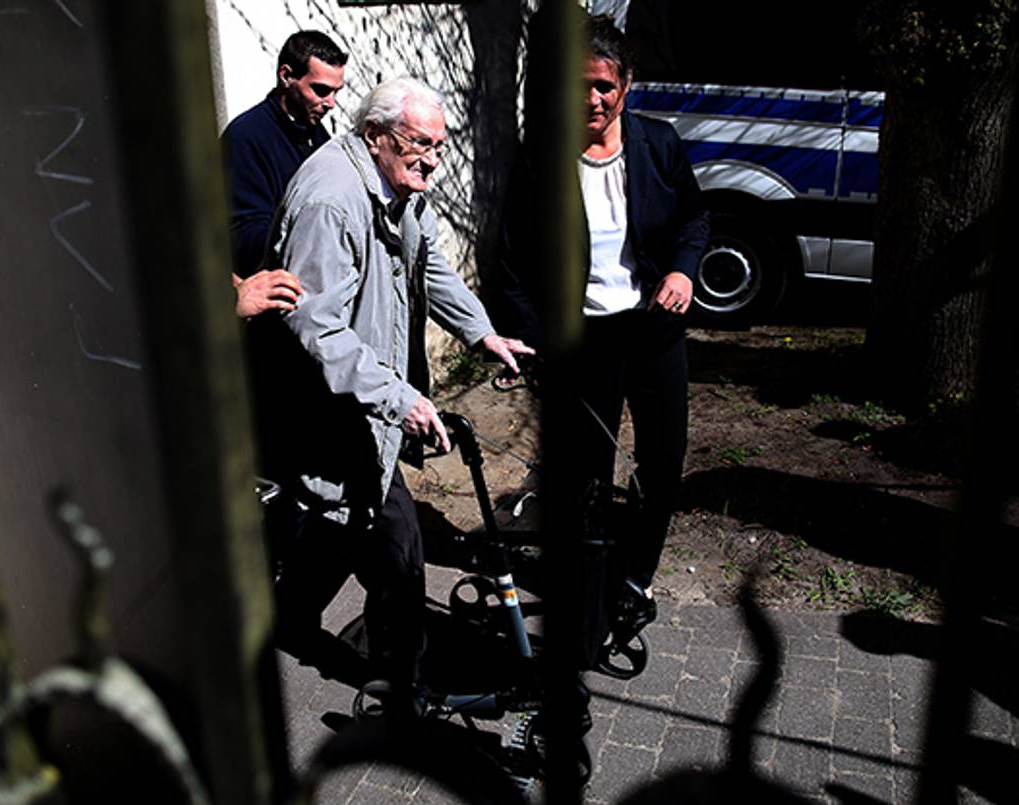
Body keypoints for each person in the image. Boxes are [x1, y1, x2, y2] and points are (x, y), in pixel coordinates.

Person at [261, 76, 534, 713]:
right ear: (378, 135)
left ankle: (288, 616)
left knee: (344, 520)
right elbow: (313, 323)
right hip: (332, 401)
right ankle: (400, 681)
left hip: (363, 402)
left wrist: (481, 332)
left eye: (439, 146)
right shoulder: (331, 200)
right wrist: (399, 398)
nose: (433, 160)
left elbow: (429, 264)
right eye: (420, 144)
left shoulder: (399, 186)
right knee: (397, 542)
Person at [491, 14, 708, 661]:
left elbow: (694, 220)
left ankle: (633, 581)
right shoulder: (542, 156)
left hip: (654, 332)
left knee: (662, 468)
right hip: (583, 343)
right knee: (586, 481)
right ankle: (583, 606)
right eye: (581, 86)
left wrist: (682, 269)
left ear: (627, 84)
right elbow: (511, 261)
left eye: (605, 87)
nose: (593, 100)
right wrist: (533, 343)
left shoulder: (659, 146)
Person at [220, 30, 347, 318]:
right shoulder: (245, 138)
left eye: (336, 91)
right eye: (321, 90)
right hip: (275, 307)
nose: (331, 103)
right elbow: (243, 235)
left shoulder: (318, 136)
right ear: (286, 76)